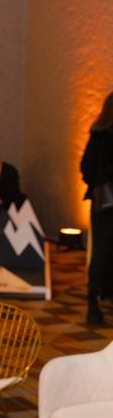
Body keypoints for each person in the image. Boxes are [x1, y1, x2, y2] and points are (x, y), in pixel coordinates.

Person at [80, 91, 113, 324]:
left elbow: (85, 168)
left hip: (102, 202)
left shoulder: (97, 133)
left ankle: (94, 306)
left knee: (99, 254)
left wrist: (99, 183)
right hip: (106, 201)